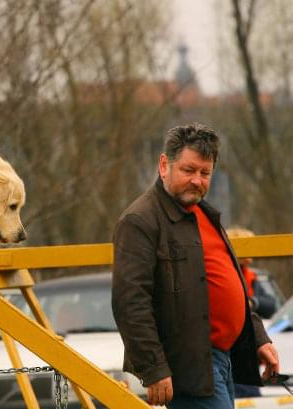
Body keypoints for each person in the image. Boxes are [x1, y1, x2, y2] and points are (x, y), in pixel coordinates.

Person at [111, 123, 279, 408]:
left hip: (223, 359)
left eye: (205, 173)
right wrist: (154, 369)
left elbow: (231, 285)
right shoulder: (140, 221)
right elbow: (130, 303)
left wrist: (258, 338)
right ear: (164, 165)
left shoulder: (204, 215)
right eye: (189, 171)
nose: (197, 181)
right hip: (187, 366)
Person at [226, 226, 278, 320]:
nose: (250, 259)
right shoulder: (225, 275)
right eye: (248, 247)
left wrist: (253, 302)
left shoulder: (250, 276)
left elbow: (271, 305)